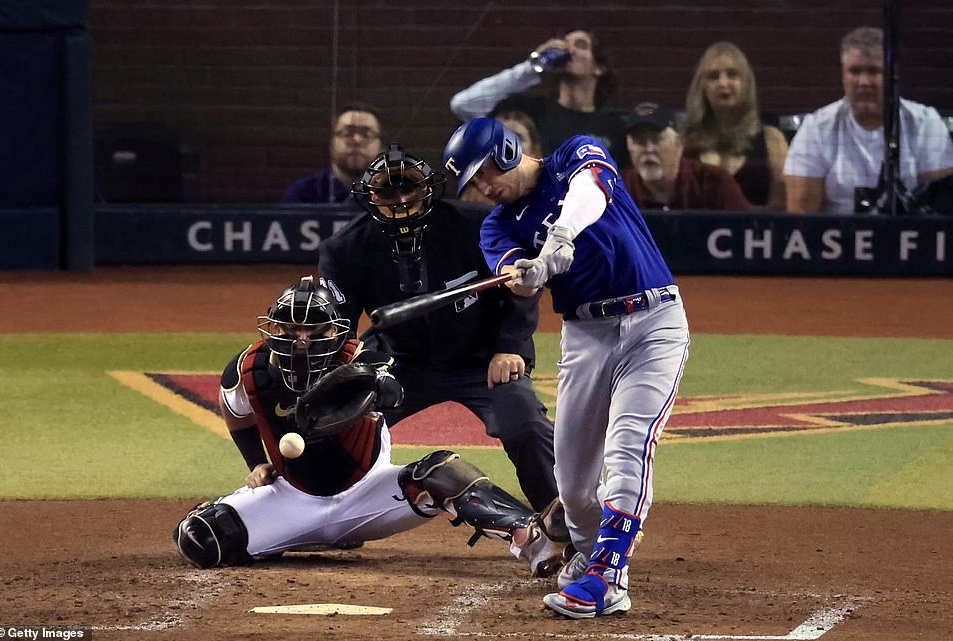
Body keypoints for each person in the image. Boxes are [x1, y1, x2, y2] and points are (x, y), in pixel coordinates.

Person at [442, 118, 690, 619]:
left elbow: (590, 193)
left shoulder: (574, 154)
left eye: (486, 173)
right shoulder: (498, 225)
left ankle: (608, 577)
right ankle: (591, 551)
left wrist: (560, 237)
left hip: (653, 322)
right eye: (474, 185)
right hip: (585, 336)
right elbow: (517, 277)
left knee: (627, 448)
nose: (485, 189)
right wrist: (527, 272)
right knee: (574, 489)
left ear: (509, 150)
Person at [172, 278, 565, 576]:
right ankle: (291, 535)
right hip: (292, 497)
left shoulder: (363, 360)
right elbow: (236, 414)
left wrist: (370, 387)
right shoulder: (249, 370)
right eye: (290, 331)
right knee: (197, 539)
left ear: (337, 332)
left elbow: (390, 389)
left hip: (370, 496)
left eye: (316, 331)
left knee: (441, 471)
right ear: (272, 329)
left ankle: (532, 539)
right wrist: (257, 462)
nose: (302, 342)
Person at [316, 144, 559, 515]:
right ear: (370, 197)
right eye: (387, 191)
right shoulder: (345, 248)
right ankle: (331, 512)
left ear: (428, 188)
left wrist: (511, 345)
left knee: (524, 421)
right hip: (398, 361)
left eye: (408, 188)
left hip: (482, 358)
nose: (400, 199)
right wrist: (343, 377)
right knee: (338, 423)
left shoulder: (478, 227)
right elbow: (340, 327)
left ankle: (561, 515)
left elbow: (520, 288)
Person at [783, 27, 953, 214]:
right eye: (855, 71)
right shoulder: (815, 128)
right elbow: (801, 217)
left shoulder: (926, 124)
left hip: (907, 236)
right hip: (836, 237)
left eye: (874, 72)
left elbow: (938, 213)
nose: (864, 82)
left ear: (892, 76)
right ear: (843, 75)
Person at [449, 29, 630, 168]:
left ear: (599, 67)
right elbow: (464, 105)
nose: (569, 51)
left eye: (580, 45)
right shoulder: (530, 112)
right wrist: (531, 67)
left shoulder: (614, 128)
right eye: (565, 45)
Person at [681, 42, 789, 210]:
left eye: (732, 75)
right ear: (701, 87)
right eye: (713, 76)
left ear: (746, 83)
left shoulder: (772, 139)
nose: (723, 83)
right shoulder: (681, 141)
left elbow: (783, 207)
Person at [621, 102, 752, 211]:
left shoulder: (714, 182)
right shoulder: (615, 189)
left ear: (678, 144)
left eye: (657, 140)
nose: (649, 149)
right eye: (639, 142)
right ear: (628, 147)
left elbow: (747, 229)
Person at [283, 102, 384, 204]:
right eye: (347, 133)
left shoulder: (395, 196)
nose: (356, 140)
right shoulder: (303, 193)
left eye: (367, 135)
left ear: (381, 147)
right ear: (331, 143)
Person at [461, 110, 543, 208]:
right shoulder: (476, 196)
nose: (507, 146)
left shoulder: (556, 179)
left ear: (534, 150)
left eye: (517, 138)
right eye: (500, 139)